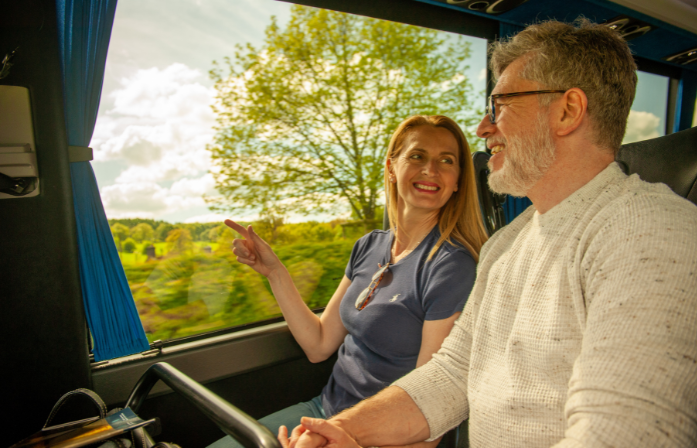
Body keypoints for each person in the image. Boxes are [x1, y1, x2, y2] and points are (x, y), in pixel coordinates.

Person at [281, 19, 697, 448]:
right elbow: (450, 373)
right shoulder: (506, 244)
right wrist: (343, 431)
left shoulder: (651, 231)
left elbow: (623, 436)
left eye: (500, 105)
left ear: (567, 111)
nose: (483, 128)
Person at [208, 115, 489, 448]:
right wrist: (275, 273)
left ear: (458, 180)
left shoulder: (450, 266)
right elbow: (319, 344)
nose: (431, 169)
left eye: (447, 160)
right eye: (417, 156)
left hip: (382, 438)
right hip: (323, 411)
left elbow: (430, 414)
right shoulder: (369, 246)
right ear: (391, 167)